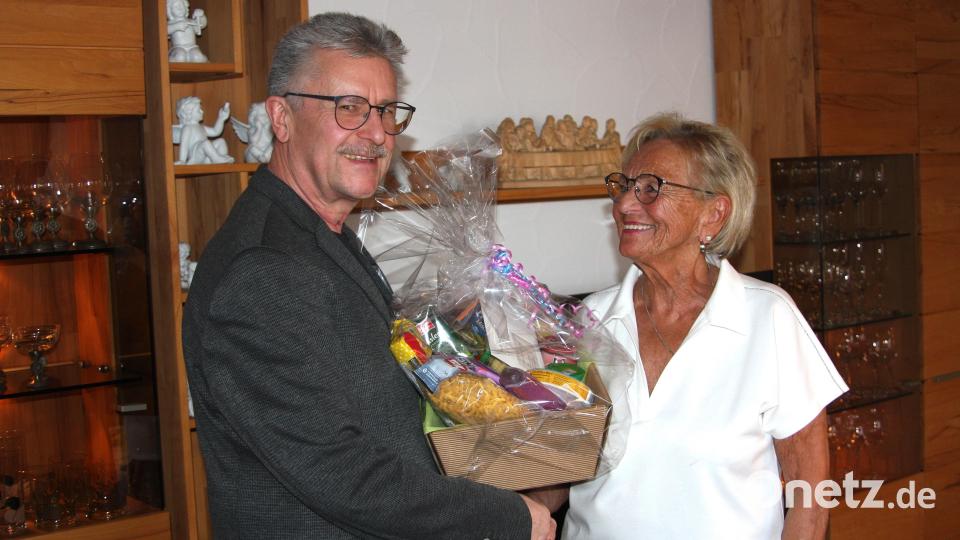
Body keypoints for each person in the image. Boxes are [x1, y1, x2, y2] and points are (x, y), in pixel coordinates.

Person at [181, 12, 555, 539]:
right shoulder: (263, 270)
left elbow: (368, 396)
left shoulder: (319, 233)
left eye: (385, 110)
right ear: (281, 118)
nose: (377, 133)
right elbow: (342, 473)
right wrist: (510, 516)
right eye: (350, 108)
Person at [533, 112, 848, 539]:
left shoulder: (767, 318)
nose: (624, 205)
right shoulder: (588, 324)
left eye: (650, 189)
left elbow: (810, 495)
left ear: (713, 215)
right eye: (623, 187)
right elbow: (559, 476)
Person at [171, 97, 233, 165]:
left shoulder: (201, 128)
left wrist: (221, 118)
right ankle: (216, 158)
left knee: (221, 141)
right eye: (198, 110)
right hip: (195, 158)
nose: (202, 111)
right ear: (189, 114)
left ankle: (221, 157)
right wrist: (182, 160)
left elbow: (216, 132)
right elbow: (184, 145)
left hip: (204, 157)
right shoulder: (187, 128)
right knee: (205, 143)